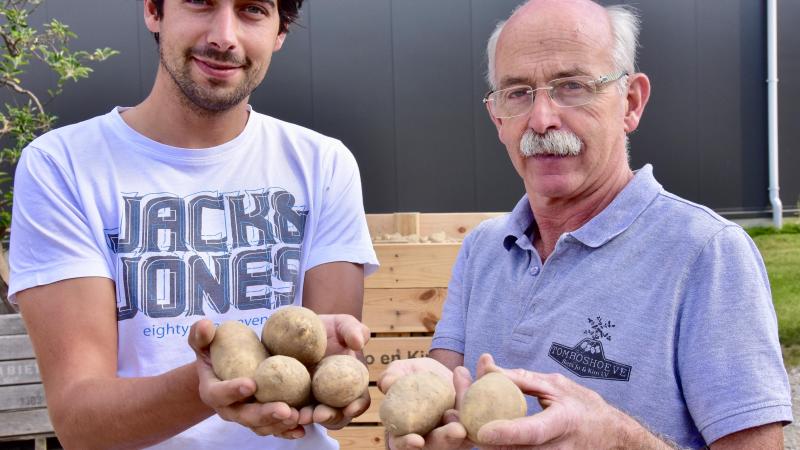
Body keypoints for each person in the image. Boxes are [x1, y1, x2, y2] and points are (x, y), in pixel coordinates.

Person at [378, 0, 793, 449]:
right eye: (517, 93)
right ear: (497, 118)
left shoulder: (706, 253)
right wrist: (422, 416)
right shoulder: (482, 248)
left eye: (572, 86)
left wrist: (617, 439)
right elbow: (445, 392)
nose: (541, 120)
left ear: (630, 103)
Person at [8, 0, 378, 449]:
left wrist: (339, 377)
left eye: (253, 10)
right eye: (201, 3)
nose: (224, 36)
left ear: (280, 31)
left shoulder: (323, 164)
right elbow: (82, 422)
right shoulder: (63, 166)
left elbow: (327, 375)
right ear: (153, 10)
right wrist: (206, 385)